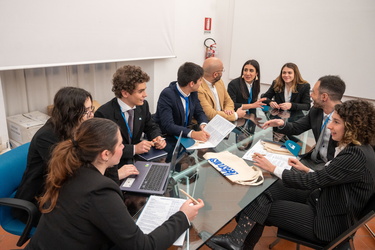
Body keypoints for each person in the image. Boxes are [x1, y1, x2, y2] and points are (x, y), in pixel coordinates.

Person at [207, 99, 375, 250]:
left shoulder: (355, 156)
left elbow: (313, 181)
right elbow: (330, 176)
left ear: (353, 127)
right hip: (325, 200)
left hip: (328, 223)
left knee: (263, 206)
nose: (330, 126)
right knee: (267, 188)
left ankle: (239, 243)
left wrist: (274, 168)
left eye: (336, 122)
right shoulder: (356, 149)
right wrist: (305, 169)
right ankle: (237, 241)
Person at [24, 118, 204, 250]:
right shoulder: (99, 190)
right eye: (120, 144)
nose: (123, 148)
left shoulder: (70, 170)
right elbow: (143, 247)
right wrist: (183, 217)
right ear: (105, 154)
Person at [13, 87, 96, 226]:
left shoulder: (75, 127)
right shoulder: (47, 136)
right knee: (88, 220)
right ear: (71, 113)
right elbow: (70, 171)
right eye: (86, 111)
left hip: (62, 190)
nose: (91, 115)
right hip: (40, 199)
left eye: (91, 109)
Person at [262, 75, 346, 169]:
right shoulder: (316, 110)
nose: (311, 95)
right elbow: (297, 127)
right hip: (314, 160)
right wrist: (282, 124)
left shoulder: (347, 120)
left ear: (324, 96)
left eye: (314, 92)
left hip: (332, 167)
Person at [95, 65, 166, 168]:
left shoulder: (143, 106)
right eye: (140, 91)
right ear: (125, 93)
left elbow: (151, 126)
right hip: (115, 166)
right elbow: (104, 148)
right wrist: (134, 149)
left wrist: (157, 137)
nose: (145, 95)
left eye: (144, 90)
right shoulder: (103, 114)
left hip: (139, 161)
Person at [153, 62, 210, 142]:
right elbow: (168, 125)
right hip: (166, 137)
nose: (201, 83)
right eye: (200, 80)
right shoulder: (167, 94)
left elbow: (199, 112)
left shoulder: (193, 92)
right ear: (192, 83)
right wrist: (193, 134)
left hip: (182, 136)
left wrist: (203, 124)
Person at [197, 57, 246, 121]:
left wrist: (229, 110)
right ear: (215, 74)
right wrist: (236, 115)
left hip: (223, 121)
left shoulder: (219, 82)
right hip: (207, 124)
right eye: (222, 70)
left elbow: (229, 101)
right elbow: (210, 114)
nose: (222, 73)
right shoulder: (199, 89)